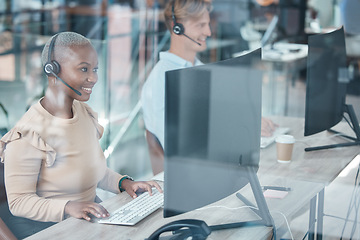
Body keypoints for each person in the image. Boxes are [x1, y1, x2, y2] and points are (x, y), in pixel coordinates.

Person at [0, 32, 162, 239]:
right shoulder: (28, 134)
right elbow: (18, 202)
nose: (93, 78)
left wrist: (125, 183)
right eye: (83, 69)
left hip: (88, 219)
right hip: (51, 229)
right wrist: (68, 207)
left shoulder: (83, 113)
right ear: (53, 70)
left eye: (95, 69)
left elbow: (93, 171)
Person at [141, 0, 277, 175]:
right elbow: (179, 145)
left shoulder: (199, 68)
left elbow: (220, 115)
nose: (208, 32)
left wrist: (249, 121)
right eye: (201, 25)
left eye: (208, 24)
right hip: (193, 175)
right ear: (177, 28)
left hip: (216, 165)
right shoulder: (161, 79)